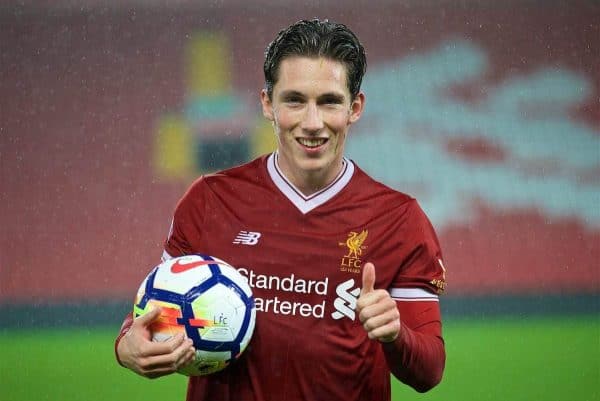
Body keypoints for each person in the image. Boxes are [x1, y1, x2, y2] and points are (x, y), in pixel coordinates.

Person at [115, 19, 446, 401]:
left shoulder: (399, 219)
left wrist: (395, 335)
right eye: (294, 100)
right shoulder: (209, 201)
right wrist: (127, 346)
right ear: (267, 104)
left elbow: (430, 371)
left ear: (355, 107)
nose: (312, 123)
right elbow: (153, 311)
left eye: (329, 101)